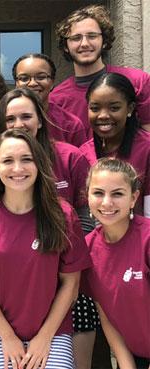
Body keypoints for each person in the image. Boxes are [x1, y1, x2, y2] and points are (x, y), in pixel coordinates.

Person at [0, 129, 91, 369]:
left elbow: (71, 285)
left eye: (26, 159)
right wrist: (8, 336)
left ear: (39, 163)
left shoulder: (62, 215)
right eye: (8, 161)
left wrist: (44, 338)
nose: (17, 169)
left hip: (52, 332)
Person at [0, 88, 91, 224]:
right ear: (2, 125)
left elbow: (85, 217)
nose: (19, 125)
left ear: (40, 121)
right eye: (10, 119)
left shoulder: (71, 158)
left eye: (26, 117)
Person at [83, 158, 149, 369]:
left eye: (118, 193)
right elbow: (107, 316)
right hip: (134, 356)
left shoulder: (147, 238)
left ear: (133, 198)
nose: (107, 202)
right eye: (98, 193)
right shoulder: (88, 249)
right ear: (87, 197)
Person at [51, 4, 150, 131]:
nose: (85, 44)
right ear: (65, 46)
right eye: (76, 38)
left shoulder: (137, 80)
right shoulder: (56, 99)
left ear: (104, 41)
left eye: (92, 36)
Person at [81, 72, 150, 218]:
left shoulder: (147, 148)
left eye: (114, 108)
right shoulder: (83, 153)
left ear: (130, 109)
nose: (103, 115)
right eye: (95, 108)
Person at [12, 53, 90, 146]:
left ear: (52, 82)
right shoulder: (4, 120)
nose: (32, 83)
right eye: (24, 78)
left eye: (41, 77)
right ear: (16, 84)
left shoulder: (71, 124)